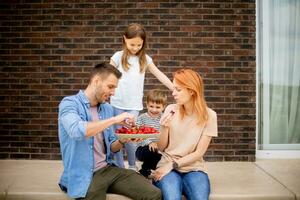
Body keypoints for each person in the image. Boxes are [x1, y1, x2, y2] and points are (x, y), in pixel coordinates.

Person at [58, 62, 161, 200]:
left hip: (108, 169)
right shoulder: (69, 104)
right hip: (83, 174)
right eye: (110, 87)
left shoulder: (106, 108)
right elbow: (77, 131)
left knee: (154, 194)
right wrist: (114, 120)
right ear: (96, 81)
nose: (113, 92)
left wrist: (123, 140)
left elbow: (112, 147)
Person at [109, 23, 173, 170]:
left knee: (131, 136)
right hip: (116, 104)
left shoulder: (145, 59)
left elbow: (159, 74)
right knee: (118, 137)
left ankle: (132, 166)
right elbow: (107, 74)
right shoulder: (117, 57)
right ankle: (119, 166)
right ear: (124, 39)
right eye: (132, 44)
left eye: (139, 45)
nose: (135, 48)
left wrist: (173, 87)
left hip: (133, 106)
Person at [153, 68, 218, 200]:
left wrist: (173, 165)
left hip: (194, 168)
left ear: (191, 91)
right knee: (172, 198)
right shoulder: (171, 110)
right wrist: (164, 127)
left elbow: (199, 153)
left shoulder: (209, 115)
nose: (173, 93)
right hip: (167, 165)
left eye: (178, 89)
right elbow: (160, 147)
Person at [135, 89, 167, 178]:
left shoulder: (165, 118)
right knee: (152, 151)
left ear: (163, 107)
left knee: (160, 154)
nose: (154, 109)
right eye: (151, 106)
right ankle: (144, 171)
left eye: (158, 107)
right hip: (143, 149)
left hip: (159, 149)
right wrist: (150, 142)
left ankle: (149, 170)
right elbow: (138, 135)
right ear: (147, 105)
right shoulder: (141, 118)